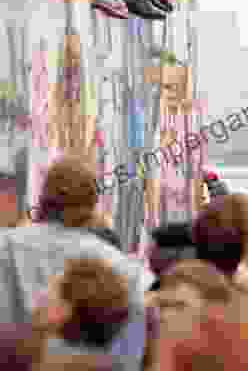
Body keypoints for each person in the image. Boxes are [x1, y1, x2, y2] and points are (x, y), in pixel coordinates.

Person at [0, 158, 154, 371]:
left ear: (43, 198)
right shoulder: (121, 267)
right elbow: (136, 344)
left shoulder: (5, 245)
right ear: (92, 202)